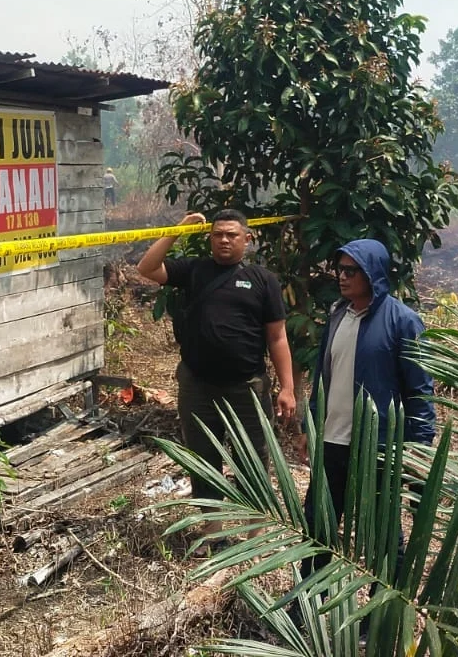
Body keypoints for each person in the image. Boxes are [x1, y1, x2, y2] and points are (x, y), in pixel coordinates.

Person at [138, 210, 298, 502]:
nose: (224, 240)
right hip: (197, 384)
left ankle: (254, 536)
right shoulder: (194, 270)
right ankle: (213, 533)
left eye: (232, 235)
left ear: (247, 239)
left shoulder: (263, 280)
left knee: (252, 456)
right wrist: (178, 229)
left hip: (247, 385)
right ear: (210, 239)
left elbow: (277, 337)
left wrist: (287, 388)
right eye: (218, 235)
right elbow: (147, 268)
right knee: (202, 457)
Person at [303, 239, 436, 576]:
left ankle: (379, 620)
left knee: (383, 537)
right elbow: (324, 375)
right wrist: (312, 425)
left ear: (372, 273)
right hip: (332, 443)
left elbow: (420, 391)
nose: (342, 277)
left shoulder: (403, 321)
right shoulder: (338, 315)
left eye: (351, 271)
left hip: (377, 449)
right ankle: (305, 610)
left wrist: (418, 450)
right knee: (317, 530)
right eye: (339, 270)